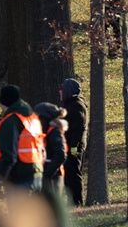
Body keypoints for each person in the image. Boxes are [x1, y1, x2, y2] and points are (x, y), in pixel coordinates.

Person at [0, 85, 44, 193]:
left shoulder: (10, 122)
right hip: (36, 173)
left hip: (19, 176)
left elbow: (9, 155)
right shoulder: (32, 118)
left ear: (3, 101)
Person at [60, 77, 88, 206]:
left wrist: (74, 148)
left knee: (74, 174)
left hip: (74, 147)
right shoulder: (70, 104)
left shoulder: (76, 106)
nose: (60, 93)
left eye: (62, 90)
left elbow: (78, 129)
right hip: (70, 146)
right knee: (69, 174)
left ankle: (77, 202)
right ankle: (72, 201)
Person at [35, 102, 68, 198]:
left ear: (44, 118)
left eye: (38, 117)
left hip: (53, 177)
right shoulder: (46, 131)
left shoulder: (54, 132)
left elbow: (60, 155)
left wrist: (47, 174)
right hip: (47, 175)